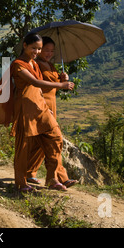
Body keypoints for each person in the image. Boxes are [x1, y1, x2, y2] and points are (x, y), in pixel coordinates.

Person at [0, 33, 77, 192]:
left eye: (39, 49)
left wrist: (60, 80)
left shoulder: (35, 64)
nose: (36, 52)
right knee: (24, 146)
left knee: (55, 138)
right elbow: (34, 82)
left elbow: (41, 87)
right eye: (34, 48)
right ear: (25, 45)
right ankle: (21, 183)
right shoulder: (18, 64)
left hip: (40, 106)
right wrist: (62, 86)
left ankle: (52, 178)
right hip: (25, 109)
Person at [27, 36, 77, 187]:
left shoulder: (51, 65)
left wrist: (63, 78)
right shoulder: (36, 65)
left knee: (41, 143)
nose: (48, 53)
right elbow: (41, 85)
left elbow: (55, 85)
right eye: (46, 50)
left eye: (52, 51)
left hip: (52, 106)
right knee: (53, 141)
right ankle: (59, 177)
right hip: (41, 106)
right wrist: (61, 84)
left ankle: (29, 172)